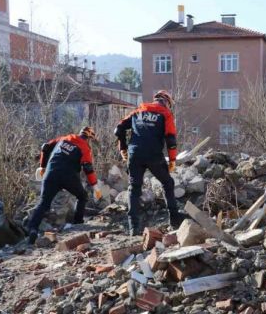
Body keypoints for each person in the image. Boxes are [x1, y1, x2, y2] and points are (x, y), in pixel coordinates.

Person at [115, 90, 181, 235]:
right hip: (154, 155)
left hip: (135, 154)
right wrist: (172, 160)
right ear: (167, 102)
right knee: (167, 183)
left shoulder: (138, 110)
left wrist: (123, 148)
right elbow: (170, 139)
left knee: (134, 188)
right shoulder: (165, 113)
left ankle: (133, 228)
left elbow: (118, 129)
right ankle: (175, 221)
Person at [27, 126, 101, 244]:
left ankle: (33, 229)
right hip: (68, 177)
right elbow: (87, 167)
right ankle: (78, 223)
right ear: (89, 138)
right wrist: (95, 186)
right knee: (82, 196)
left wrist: (42, 165)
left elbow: (45, 147)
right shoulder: (85, 147)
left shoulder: (64, 138)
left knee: (44, 203)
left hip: (51, 173)